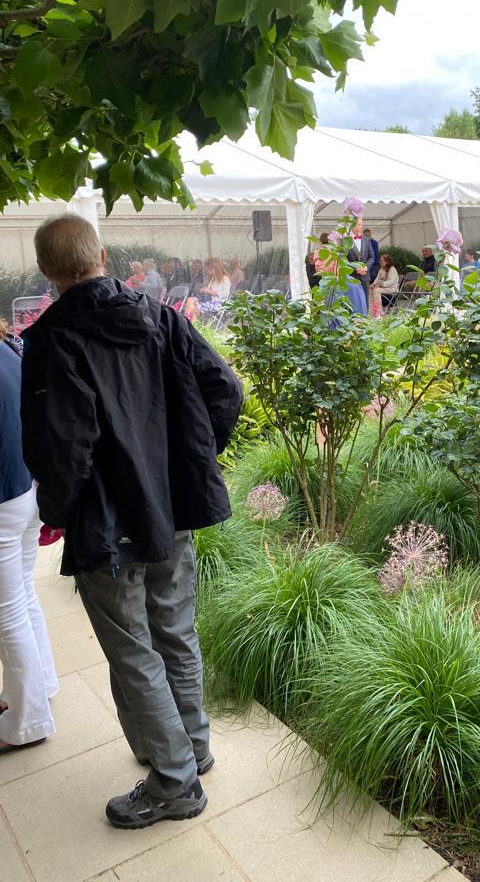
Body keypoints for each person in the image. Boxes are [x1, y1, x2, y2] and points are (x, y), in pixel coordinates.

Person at [21, 214, 243, 829]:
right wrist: (186, 467)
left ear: (46, 271)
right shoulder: (161, 315)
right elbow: (225, 390)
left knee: (134, 650)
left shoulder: (51, 341)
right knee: (174, 630)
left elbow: (62, 445)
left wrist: (58, 513)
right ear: (103, 254)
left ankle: (175, 783)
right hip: (170, 511)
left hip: (107, 525)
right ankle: (189, 748)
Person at [0, 319, 58, 755]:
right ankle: (42, 686)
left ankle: (28, 720)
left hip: (5, 498)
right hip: (27, 492)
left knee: (8, 614)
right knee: (21, 598)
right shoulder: (8, 348)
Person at [348, 221, 375, 308]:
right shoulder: (346, 240)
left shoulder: (367, 240)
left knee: (365, 302)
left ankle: (365, 320)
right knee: (352, 301)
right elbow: (343, 259)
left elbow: (372, 257)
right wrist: (356, 268)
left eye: (359, 224)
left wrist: (365, 268)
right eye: (355, 224)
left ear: (362, 226)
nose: (357, 227)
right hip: (352, 276)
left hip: (365, 276)